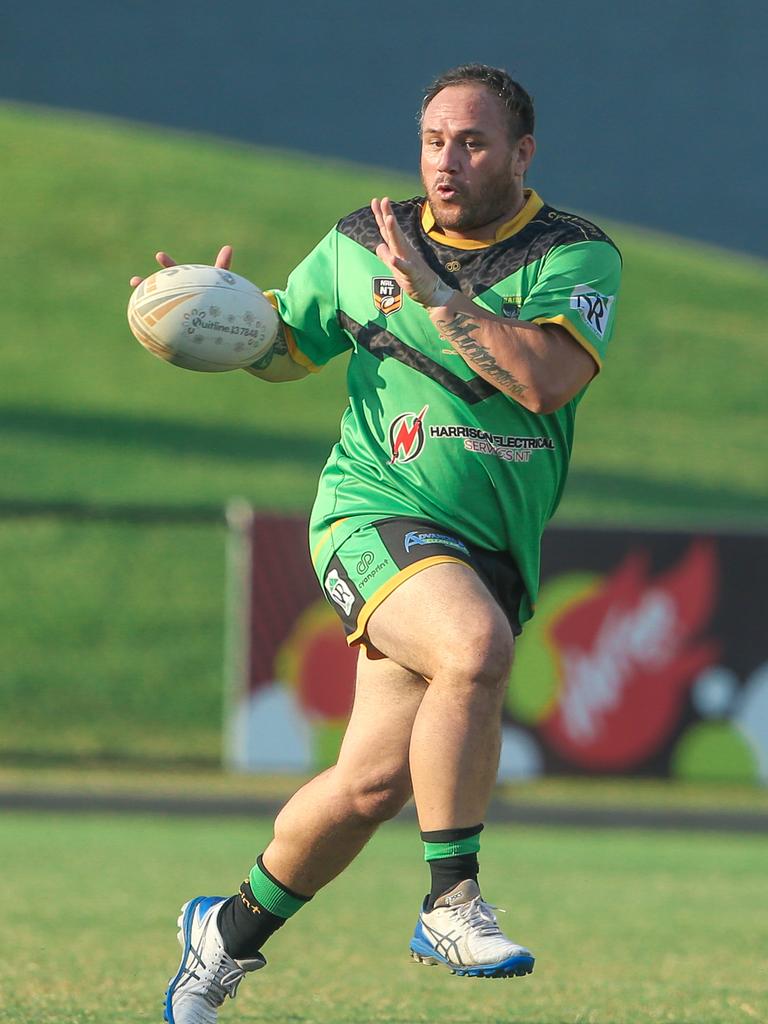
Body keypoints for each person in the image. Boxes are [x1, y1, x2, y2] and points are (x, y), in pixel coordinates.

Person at [131, 63, 621, 1023]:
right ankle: (452, 901)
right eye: (435, 139)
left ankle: (224, 935)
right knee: (477, 650)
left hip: (487, 548)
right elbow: (287, 350)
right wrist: (207, 310)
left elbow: (545, 383)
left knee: (368, 787)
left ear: (523, 153)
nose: (448, 160)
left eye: (473, 142)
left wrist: (440, 295)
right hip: (371, 513)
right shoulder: (361, 241)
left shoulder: (576, 253)